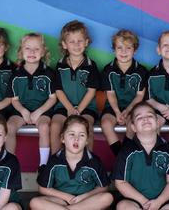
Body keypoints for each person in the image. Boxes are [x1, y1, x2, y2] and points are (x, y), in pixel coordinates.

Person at [30, 115, 113, 210]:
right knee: (35, 202)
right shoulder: (54, 161)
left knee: (107, 197)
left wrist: (83, 197)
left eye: (82, 135)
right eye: (72, 134)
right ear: (63, 138)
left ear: (86, 140)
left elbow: (103, 187)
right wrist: (66, 197)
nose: (76, 139)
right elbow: (43, 188)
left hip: (85, 201)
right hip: (61, 200)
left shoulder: (93, 161)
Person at [113, 102, 169, 210]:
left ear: (158, 122)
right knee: (123, 207)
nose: (145, 119)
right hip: (134, 200)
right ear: (133, 127)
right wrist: (144, 202)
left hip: (162, 200)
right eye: (139, 117)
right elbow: (121, 182)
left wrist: (158, 202)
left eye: (150, 116)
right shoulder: (126, 151)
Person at [8, 33, 57, 167]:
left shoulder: (48, 73)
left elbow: (53, 98)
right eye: (28, 48)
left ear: (42, 52)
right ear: (21, 51)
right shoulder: (16, 74)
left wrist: (38, 112)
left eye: (36, 49)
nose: (32, 52)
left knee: (44, 127)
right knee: (10, 126)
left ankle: (43, 165)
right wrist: (23, 111)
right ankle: (9, 164)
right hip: (22, 110)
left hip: (42, 110)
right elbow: (14, 99)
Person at [51, 20, 101, 152]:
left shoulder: (91, 65)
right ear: (64, 44)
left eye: (80, 41)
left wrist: (78, 110)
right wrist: (69, 109)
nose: (76, 45)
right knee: (56, 125)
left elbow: (91, 91)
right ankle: (55, 160)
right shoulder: (60, 65)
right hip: (64, 106)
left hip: (86, 107)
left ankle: (88, 161)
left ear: (86, 42)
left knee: (87, 126)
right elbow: (58, 90)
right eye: (72, 41)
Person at [100, 29, 148, 155]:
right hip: (113, 107)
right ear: (114, 49)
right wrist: (117, 112)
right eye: (119, 47)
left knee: (133, 124)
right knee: (105, 123)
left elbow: (139, 96)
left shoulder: (141, 71)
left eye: (128, 48)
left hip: (132, 108)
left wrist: (127, 111)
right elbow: (110, 94)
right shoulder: (108, 70)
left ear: (135, 50)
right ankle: (119, 155)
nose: (123, 52)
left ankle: (127, 154)